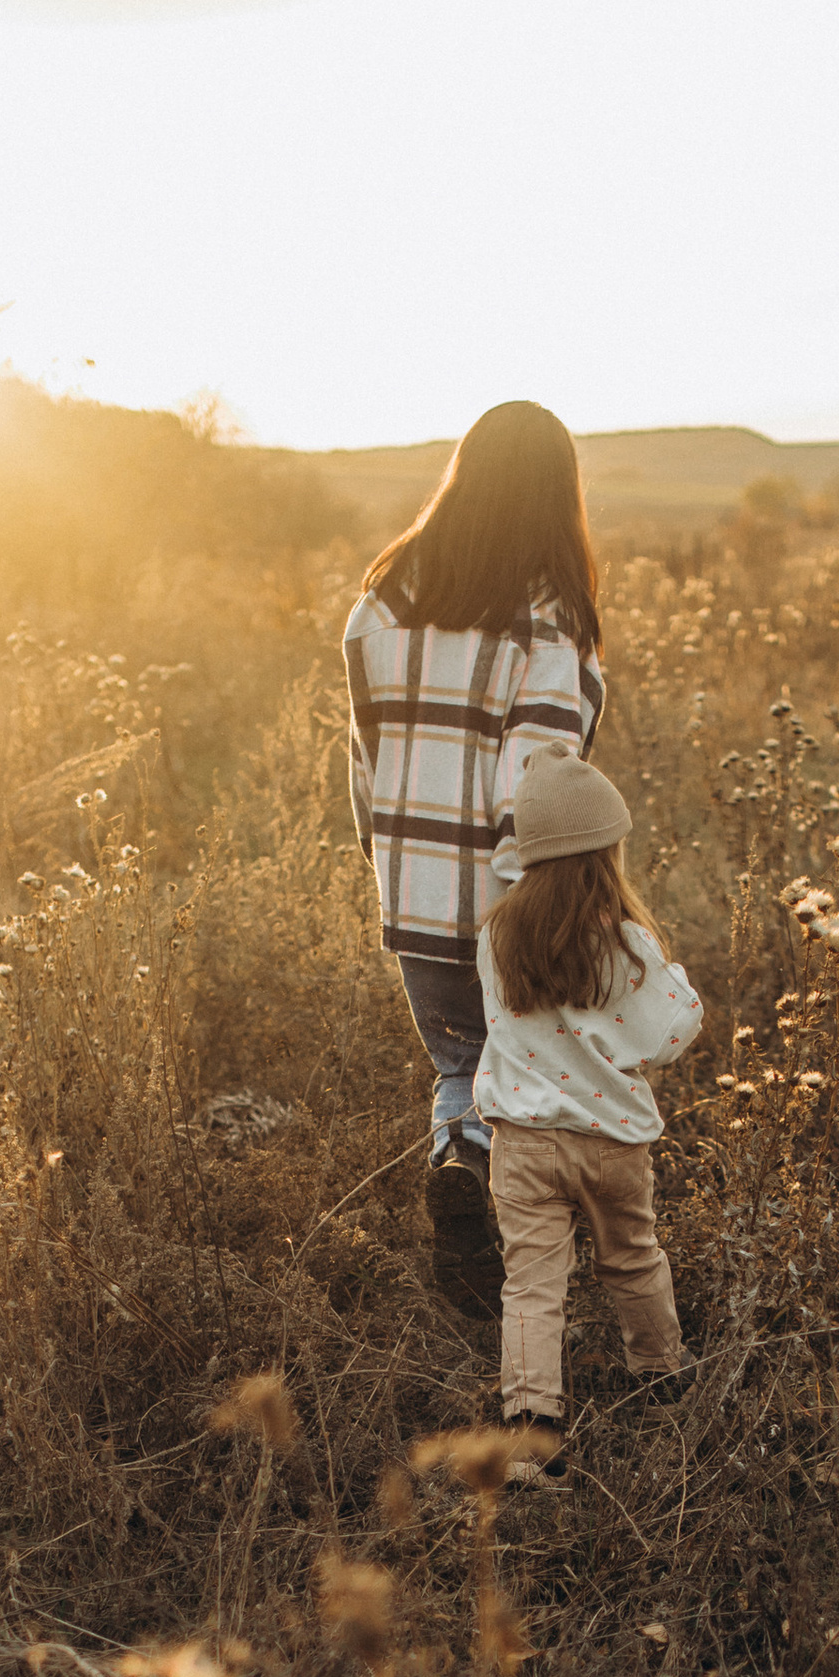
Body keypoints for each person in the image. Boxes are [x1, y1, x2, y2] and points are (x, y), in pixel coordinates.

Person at [343, 402, 606, 1312]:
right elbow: (539, 773)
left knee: (462, 1064)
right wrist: (543, 896)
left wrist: (388, 864)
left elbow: (365, 761)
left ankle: (460, 1155)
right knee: (545, 1074)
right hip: (515, 895)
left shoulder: (381, 605)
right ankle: (536, 1263)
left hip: (414, 889)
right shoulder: (548, 618)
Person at [474, 739, 702, 1442]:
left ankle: (530, 1435)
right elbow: (668, 1036)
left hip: (523, 1145)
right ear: (607, 854)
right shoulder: (627, 945)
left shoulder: (497, 938)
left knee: (531, 1286)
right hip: (611, 1143)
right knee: (633, 1259)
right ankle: (662, 1386)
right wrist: (675, 981)